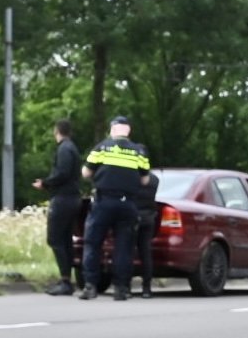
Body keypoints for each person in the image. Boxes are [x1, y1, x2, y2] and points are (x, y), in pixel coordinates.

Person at [79, 115, 150, 300]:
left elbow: (86, 172)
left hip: (103, 202)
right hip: (127, 204)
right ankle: (121, 289)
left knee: (93, 243)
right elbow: (145, 179)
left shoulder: (102, 147)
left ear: (112, 129)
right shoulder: (138, 152)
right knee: (124, 247)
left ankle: (90, 286)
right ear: (128, 131)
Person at [31, 119, 82, 295]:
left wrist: (45, 183)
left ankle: (65, 280)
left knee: (55, 239)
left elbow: (62, 173)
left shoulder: (64, 149)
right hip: (72, 198)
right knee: (66, 239)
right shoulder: (72, 148)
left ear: (57, 131)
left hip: (63, 199)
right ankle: (67, 278)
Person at [133, 171, 160, 297]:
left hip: (133, 217)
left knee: (128, 251)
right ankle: (146, 288)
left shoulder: (131, 177)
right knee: (145, 252)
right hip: (149, 218)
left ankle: (125, 286)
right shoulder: (154, 179)